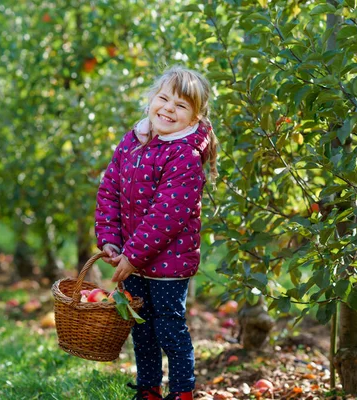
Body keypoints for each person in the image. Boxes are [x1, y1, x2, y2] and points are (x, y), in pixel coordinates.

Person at [94, 65, 218, 400]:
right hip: (132, 258)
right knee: (141, 327)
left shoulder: (185, 154)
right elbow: (109, 191)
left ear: (195, 116)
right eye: (163, 99)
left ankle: (182, 392)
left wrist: (132, 256)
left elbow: (167, 215)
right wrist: (109, 240)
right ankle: (148, 390)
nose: (168, 109)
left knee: (170, 329)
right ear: (151, 99)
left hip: (169, 265)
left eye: (180, 106)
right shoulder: (134, 140)